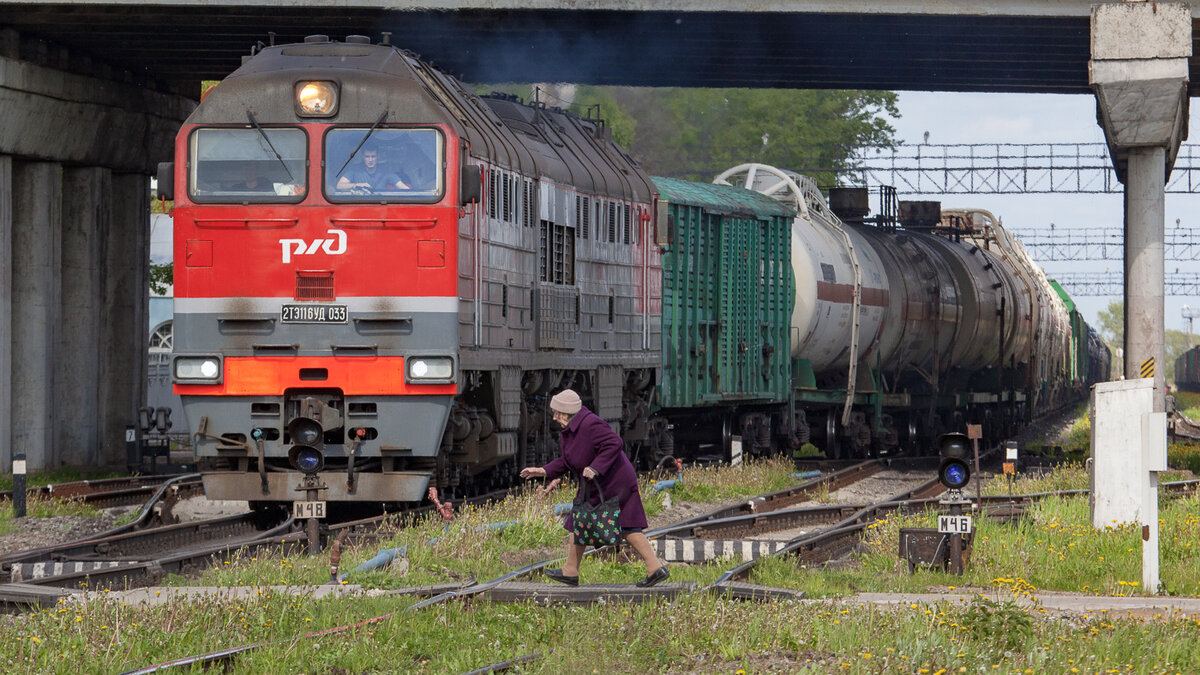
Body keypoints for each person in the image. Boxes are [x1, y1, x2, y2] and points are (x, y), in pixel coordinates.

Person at [519, 389, 669, 588]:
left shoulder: (590, 424)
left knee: (612, 523)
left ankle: (572, 570)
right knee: (589, 521)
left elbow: (614, 443)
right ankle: (653, 568)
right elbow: (567, 460)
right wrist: (543, 471)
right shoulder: (571, 430)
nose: (554, 417)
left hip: (613, 481)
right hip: (601, 482)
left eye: (557, 413)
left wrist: (595, 467)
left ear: (567, 412)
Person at [336, 148, 408, 192]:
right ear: (362, 157)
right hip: (360, 205)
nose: (370, 160)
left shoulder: (386, 171)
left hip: (381, 205)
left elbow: (403, 188)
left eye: (373, 156)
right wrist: (357, 185)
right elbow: (339, 186)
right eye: (367, 156)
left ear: (378, 157)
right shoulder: (355, 170)